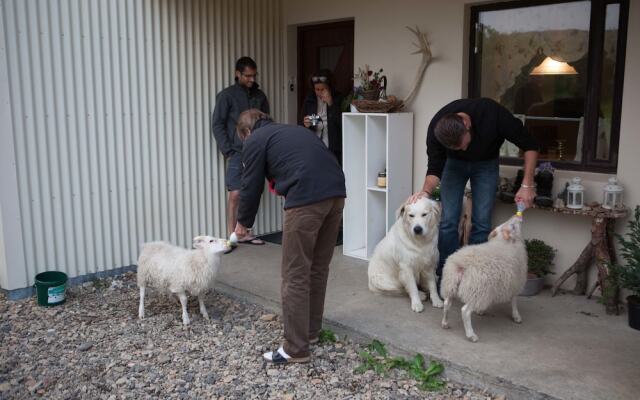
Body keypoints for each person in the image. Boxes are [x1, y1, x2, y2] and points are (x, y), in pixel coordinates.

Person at [233, 109, 346, 364]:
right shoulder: (291, 130)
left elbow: (250, 184)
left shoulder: (255, 139)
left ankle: (295, 348)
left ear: (247, 132)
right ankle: (310, 333)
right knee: (317, 269)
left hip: (306, 199)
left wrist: (242, 224)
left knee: (295, 273)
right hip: (337, 193)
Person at [408, 97, 539, 283]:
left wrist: (527, 185)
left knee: (482, 222)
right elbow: (435, 167)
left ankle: (474, 277)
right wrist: (425, 193)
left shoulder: (493, 114)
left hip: (486, 164)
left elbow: (530, 145)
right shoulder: (437, 128)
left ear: (466, 124)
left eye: (464, 145)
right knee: (448, 222)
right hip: (453, 165)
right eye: (456, 148)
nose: (463, 150)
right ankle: (446, 276)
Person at [211, 56, 269, 247]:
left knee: (252, 192)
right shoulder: (226, 95)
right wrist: (228, 150)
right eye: (247, 76)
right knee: (235, 193)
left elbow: (266, 121)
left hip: (258, 151)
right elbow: (217, 124)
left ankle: (245, 232)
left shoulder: (260, 96)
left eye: (254, 75)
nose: (252, 79)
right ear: (238, 74)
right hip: (236, 152)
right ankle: (232, 235)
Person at [301, 69, 344, 163]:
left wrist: (331, 103)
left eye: (323, 89)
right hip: (314, 145)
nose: (320, 92)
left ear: (330, 88)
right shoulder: (310, 99)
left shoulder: (338, 98)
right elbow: (303, 122)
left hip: (333, 147)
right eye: (317, 89)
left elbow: (342, 123)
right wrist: (306, 123)